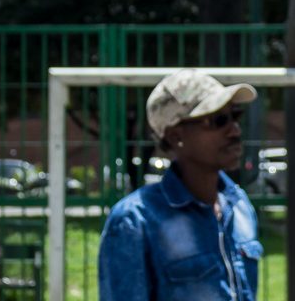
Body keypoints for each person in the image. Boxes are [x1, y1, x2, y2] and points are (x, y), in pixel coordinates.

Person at [99, 69, 263, 300]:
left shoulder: (239, 206)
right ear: (176, 136)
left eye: (235, 116)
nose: (234, 130)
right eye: (218, 120)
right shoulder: (136, 220)